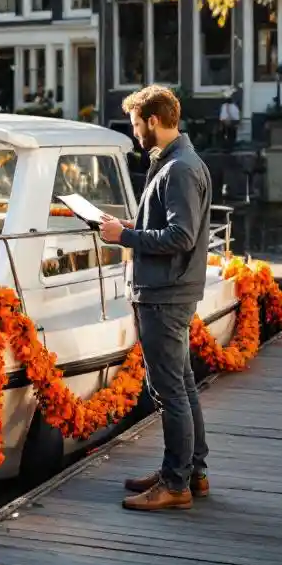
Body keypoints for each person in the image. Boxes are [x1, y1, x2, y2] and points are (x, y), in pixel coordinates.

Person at [98, 85, 212, 513]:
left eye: (135, 123)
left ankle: (175, 482)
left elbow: (180, 237)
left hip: (165, 294)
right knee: (182, 385)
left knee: (170, 393)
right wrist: (127, 225)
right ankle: (190, 472)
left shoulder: (179, 168)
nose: (134, 131)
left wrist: (125, 236)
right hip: (170, 290)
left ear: (154, 121)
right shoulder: (178, 162)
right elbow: (169, 225)